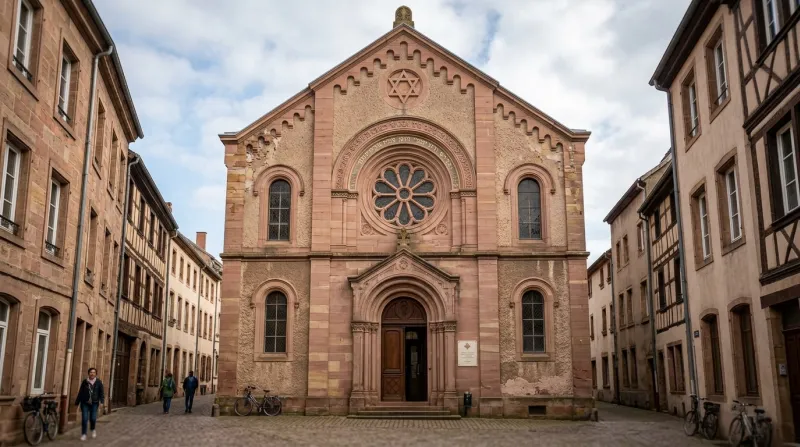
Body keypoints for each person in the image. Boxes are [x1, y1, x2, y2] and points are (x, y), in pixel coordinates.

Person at [74, 367, 104, 441]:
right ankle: (84, 434)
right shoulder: (85, 382)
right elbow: (80, 392)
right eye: (91, 372)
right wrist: (77, 402)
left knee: (93, 418)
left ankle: (93, 429)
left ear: (96, 374)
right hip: (85, 403)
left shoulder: (99, 382)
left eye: (94, 372)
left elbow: (101, 393)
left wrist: (102, 402)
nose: (92, 374)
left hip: (94, 403)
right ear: (88, 373)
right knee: (84, 419)